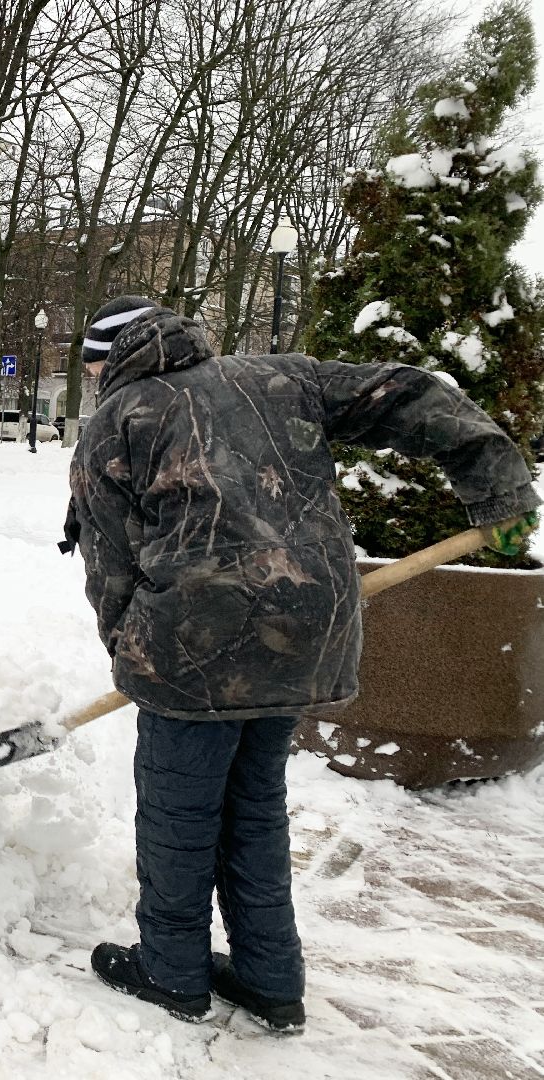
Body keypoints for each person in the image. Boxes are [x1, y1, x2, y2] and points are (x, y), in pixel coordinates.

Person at [61, 295, 540, 1032]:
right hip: (307, 635)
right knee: (253, 811)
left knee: (181, 814)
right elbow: (407, 392)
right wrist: (498, 484)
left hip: (192, 647)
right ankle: (269, 979)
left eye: (93, 364)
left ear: (109, 356)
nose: (94, 377)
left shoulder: (115, 422)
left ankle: (171, 969)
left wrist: (131, 651)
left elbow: (111, 561)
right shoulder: (282, 376)